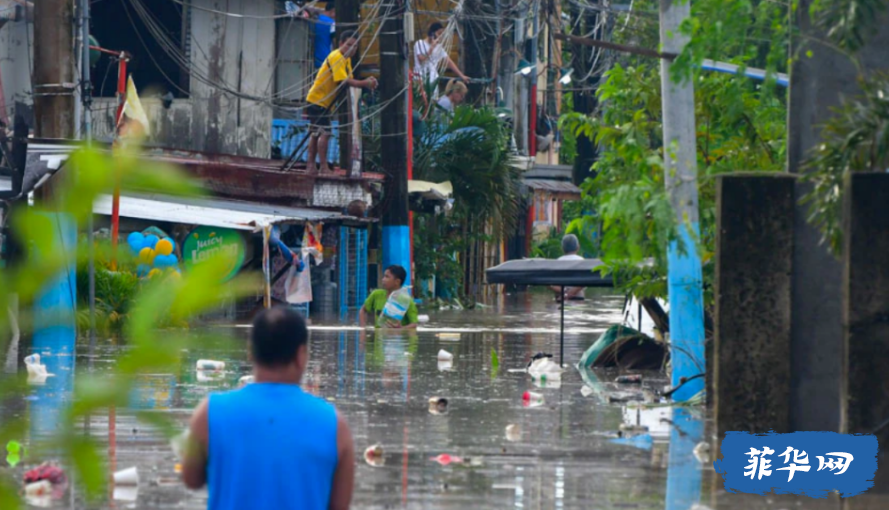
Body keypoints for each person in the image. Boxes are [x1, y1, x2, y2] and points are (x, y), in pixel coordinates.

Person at [182, 307, 355, 510]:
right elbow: (340, 505)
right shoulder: (335, 425)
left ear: (250, 352)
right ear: (301, 355)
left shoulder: (209, 413)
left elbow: (191, 478)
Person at [305, 31, 378, 173]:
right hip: (318, 100)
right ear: (340, 44)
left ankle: (311, 166)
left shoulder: (346, 60)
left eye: (355, 46)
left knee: (315, 133)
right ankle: (323, 167)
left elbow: (349, 80)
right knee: (324, 133)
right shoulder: (337, 57)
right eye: (349, 45)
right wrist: (364, 83)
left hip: (322, 101)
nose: (352, 48)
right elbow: (342, 81)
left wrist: (367, 82)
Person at [414, 22, 468, 96]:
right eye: (439, 33)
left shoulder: (439, 48)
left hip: (433, 81)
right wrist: (431, 49)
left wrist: (462, 76)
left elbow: (449, 61)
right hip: (420, 79)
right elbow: (421, 59)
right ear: (432, 33)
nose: (440, 37)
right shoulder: (419, 44)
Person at [551, 234, 586, 302]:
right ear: (578, 247)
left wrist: (565, 293)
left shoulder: (557, 262)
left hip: (560, 298)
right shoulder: (582, 261)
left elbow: (551, 284)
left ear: (562, 248)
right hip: (578, 299)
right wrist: (571, 293)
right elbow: (585, 281)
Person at [311, 2, 336, 70]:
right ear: (333, 11)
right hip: (325, 60)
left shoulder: (312, 20)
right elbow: (335, 43)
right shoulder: (331, 23)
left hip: (310, 60)